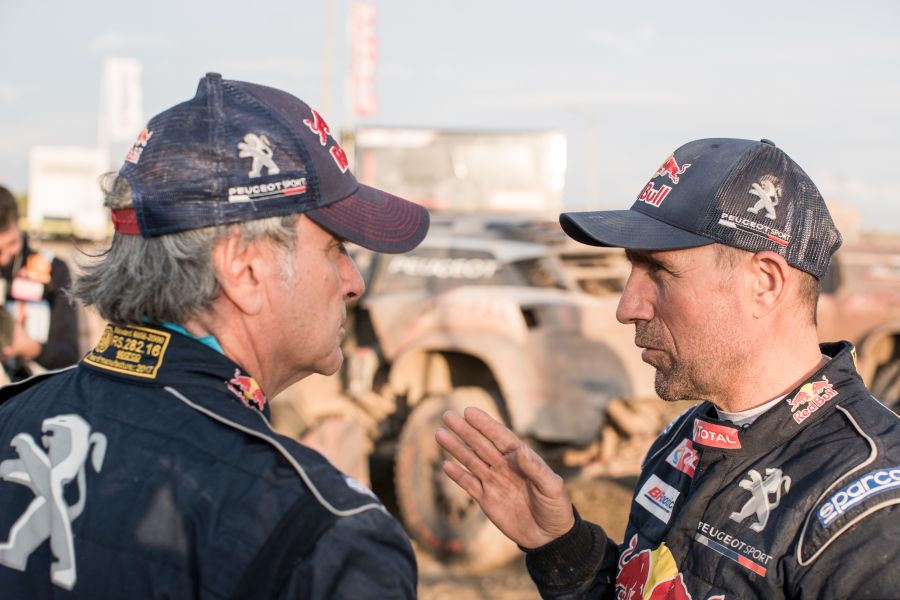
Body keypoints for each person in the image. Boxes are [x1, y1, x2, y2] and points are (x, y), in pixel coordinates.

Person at [0, 73, 429, 598]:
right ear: (245, 270)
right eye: (336, 247)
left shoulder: (9, 416)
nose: (354, 281)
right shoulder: (322, 537)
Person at [436, 138, 900, 599]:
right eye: (631, 270)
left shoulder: (870, 511)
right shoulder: (685, 437)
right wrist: (562, 547)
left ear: (764, 283)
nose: (627, 306)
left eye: (658, 272)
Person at [0, 185, 79, 381]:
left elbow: (69, 356)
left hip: (34, 393)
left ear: (18, 223)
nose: (3, 260)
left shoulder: (54, 270)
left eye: (10, 244)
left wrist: (30, 347)